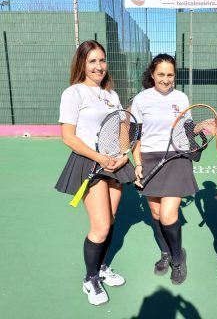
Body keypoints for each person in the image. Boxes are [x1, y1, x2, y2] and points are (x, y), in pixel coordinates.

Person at [55, 40, 135, 305]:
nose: (99, 66)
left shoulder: (111, 95)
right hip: (90, 162)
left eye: (102, 60)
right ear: (82, 64)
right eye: (92, 61)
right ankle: (90, 279)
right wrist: (100, 156)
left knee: (111, 219)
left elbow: (122, 127)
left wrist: (124, 156)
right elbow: (68, 136)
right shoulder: (74, 93)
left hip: (115, 163)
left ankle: (101, 267)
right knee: (100, 226)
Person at [131, 54, 199, 285]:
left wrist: (199, 129)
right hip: (150, 158)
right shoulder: (141, 100)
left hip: (176, 157)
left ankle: (178, 258)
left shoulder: (181, 98)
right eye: (161, 74)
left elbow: (187, 130)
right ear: (152, 74)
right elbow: (135, 137)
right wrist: (138, 163)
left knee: (169, 215)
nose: (166, 79)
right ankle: (165, 252)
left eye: (170, 75)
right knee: (156, 215)